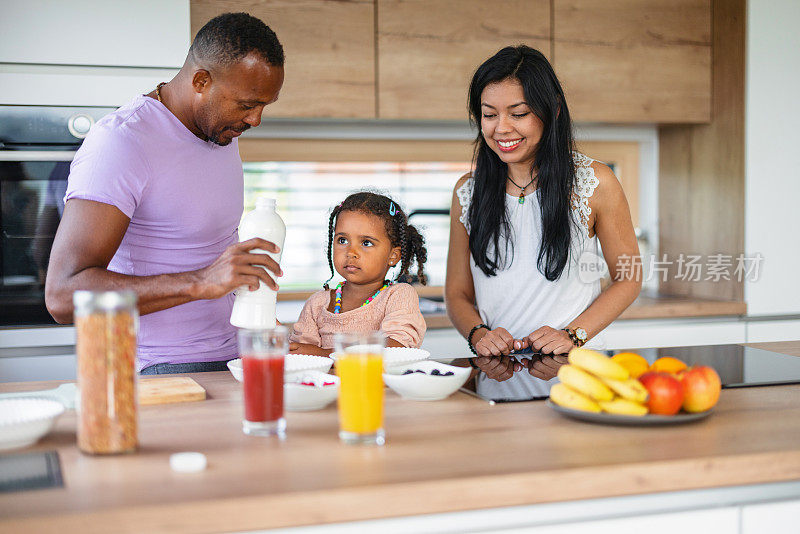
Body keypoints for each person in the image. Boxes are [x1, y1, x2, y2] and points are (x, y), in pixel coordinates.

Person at [45, 13, 286, 374]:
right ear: (201, 81)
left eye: (264, 106)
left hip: (236, 354)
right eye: (247, 105)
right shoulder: (122, 142)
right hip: (161, 365)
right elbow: (63, 296)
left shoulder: (218, 129)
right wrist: (201, 281)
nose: (255, 120)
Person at [445, 45, 642, 400]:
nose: (501, 128)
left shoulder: (594, 183)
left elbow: (629, 276)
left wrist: (573, 334)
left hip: (573, 371)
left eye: (518, 113)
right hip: (496, 374)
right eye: (489, 115)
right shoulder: (468, 192)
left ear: (551, 110)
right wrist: (478, 334)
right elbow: (457, 293)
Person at [289, 192, 428, 355]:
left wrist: (323, 353)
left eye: (366, 243)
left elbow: (395, 348)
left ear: (393, 256)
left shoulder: (398, 296)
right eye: (342, 240)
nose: (351, 252)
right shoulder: (317, 304)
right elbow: (302, 355)